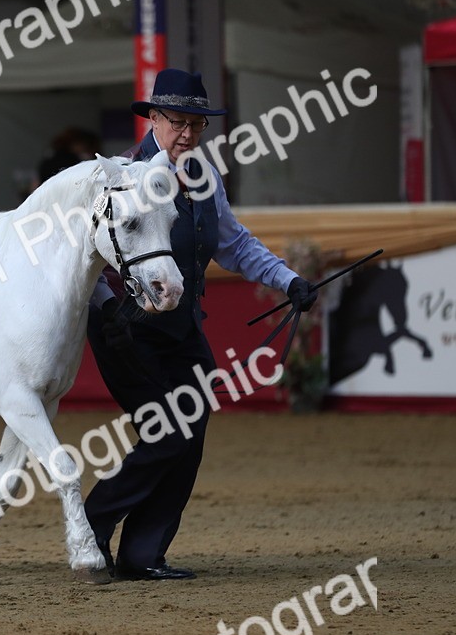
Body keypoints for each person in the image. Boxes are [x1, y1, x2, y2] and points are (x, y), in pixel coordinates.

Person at [85, 68, 318, 581]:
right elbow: (84, 260)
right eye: (176, 121)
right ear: (153, 119)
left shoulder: (202, 178)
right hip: (126, 328)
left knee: (188, 438)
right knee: (169, 434)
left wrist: (288, 280)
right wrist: (104, 307)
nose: (187, 133)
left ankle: (142, 554)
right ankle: (89, 526)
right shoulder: (118, 176)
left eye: (196, 123)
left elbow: (234, 244)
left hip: (183, 327)